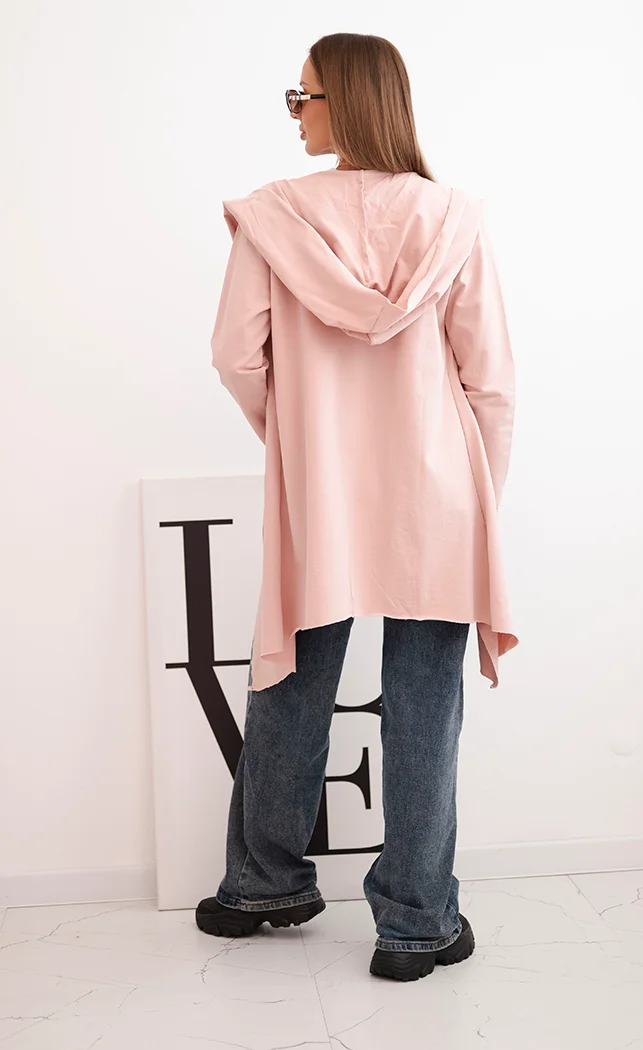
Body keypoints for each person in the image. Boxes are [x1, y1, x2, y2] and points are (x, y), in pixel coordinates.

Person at [195, 32, 518, 983]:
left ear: (349, 102)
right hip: (437, 490)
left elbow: (234, 357)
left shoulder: (273, 218)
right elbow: (491, 383)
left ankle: (264, 884)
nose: (296, 112)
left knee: (291, 674)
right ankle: (417, 923)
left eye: (305, 96)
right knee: (426, 698)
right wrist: (482, 496)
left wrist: (298, 443)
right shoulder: (451, 219)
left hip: (322, 487)